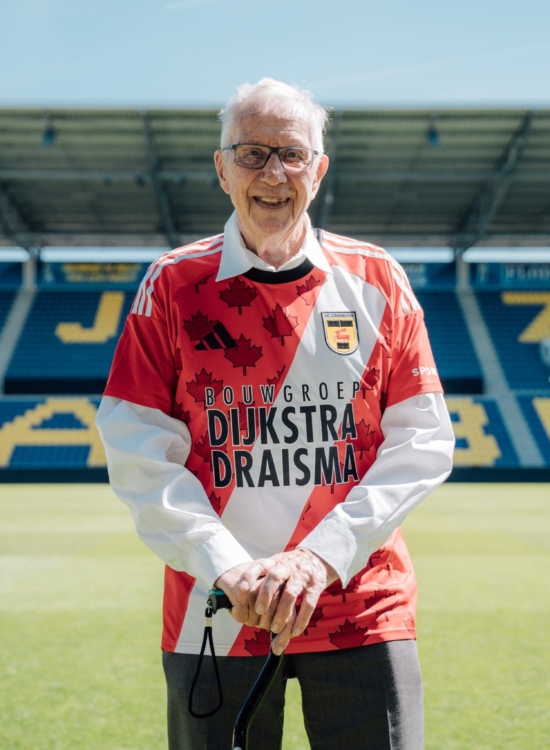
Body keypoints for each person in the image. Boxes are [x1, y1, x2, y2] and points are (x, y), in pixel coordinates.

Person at [97, 78, 455, 750]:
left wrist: (319, 558)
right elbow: (134, 442)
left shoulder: (377, 278)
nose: (273, 173)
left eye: (292, 154)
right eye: (252, 153)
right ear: (221, 168)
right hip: (217, 606)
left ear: (319, 170)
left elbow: (423, 440)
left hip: (359, 607)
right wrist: (223, 563)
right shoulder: (171, 284)